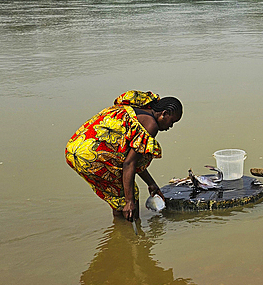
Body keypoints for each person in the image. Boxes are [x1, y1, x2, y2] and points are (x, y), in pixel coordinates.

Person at [66, 91, 182, 221]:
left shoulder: (138, 110)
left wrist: (151, 184)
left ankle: (121, 232)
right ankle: (133, 235)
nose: (170, 127)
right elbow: (129, 163)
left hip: (76, 149)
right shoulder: (151, 125)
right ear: (164, 114)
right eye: (172, 122)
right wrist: (130, 202)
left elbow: (131, 158)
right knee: (129, 196)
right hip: (93, 157)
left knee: (119, 195)